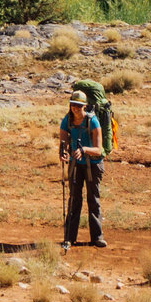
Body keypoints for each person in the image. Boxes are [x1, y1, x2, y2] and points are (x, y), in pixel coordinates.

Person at [58, 89, 108, 249]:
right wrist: (64, 152)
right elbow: (64, 141)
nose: (75, 108)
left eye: (79, 106)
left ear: (85, 106)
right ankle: (69, 237)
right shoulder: (67, 120)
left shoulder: (93, 121)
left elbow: (99, 150)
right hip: (75, 164)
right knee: (74, 200)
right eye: (73, 105)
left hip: (93, 165)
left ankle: (97, 237)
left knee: (93, 200)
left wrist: (84, 149)